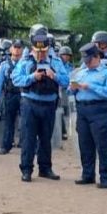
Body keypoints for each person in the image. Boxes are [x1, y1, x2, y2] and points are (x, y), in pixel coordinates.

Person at [12, 27, 68, 182]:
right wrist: (32, 77)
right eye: (38, 51)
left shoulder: (55, 62)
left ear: (48, 48)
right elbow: (16, 79)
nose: (40, 53)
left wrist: (54, 75)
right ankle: (26, 170)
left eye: (43, 51)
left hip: (49, 104)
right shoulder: (25, 61)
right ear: (32, 48)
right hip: (29, 104)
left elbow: (66, 81)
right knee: (28, 138)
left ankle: (45, 168)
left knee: (46, 138)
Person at [71, 43, 107, 188]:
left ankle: (106, 177)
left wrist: (90, 87)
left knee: (103, 145)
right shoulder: (80, 72)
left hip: (101, 110)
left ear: (97, 57)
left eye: (89, 60)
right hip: (82, 110)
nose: (87, 63)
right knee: (85, 144)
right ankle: (87, 174)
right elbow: (69, 91)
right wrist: (72, 88)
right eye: (85, 60)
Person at [0, 39, 23, 154]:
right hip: (10, 95)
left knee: (27, 121)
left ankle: (28, 145)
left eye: (19, 47)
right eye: (15, 47)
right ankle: (6, 145)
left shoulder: (26, 63)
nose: (17, 50)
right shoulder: (4, 65)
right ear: (11, 49)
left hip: (24, 95)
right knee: (9, 121)